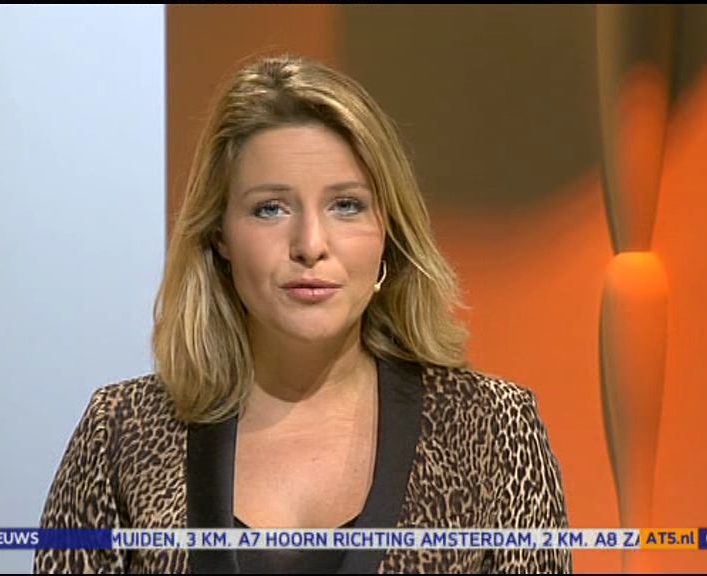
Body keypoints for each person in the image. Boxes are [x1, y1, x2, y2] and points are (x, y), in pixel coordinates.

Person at [34, 54, 570, 574]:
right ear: (219, 235)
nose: (310, 245)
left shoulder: (493, 428)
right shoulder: (121, 430)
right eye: (270, 208)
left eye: (346, 205)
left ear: (388, 232)